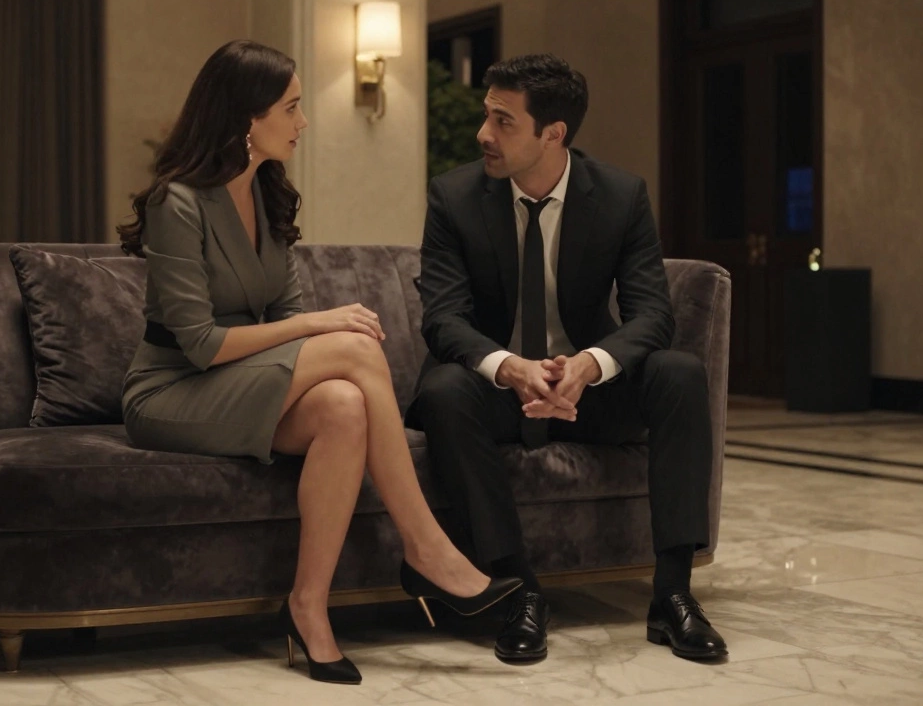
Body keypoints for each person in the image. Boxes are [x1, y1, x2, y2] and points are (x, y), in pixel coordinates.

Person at [116, 40, 521, 686]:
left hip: (242, 382)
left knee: (344, 405)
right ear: (248, 118)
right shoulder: (178, 202)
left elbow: (287, 322)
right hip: (173, 390)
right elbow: (201, 345)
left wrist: (308, 330)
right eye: (292, 108)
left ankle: (308, 606)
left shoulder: (270, 195)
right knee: (354, 348)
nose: (303, 123)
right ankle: (424, 548)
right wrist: (318, 325)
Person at [408, 53, 727, 665]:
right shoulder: (454, 196)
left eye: (503, 121)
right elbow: (442, 318)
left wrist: (590, 364)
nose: (483, 134)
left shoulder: (619, 195)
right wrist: (508, 365)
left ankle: (673, 594)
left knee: (679, 372)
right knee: (445, 390)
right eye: (486, 115)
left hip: (589, 391)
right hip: (497, 391)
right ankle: (516, 590)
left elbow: (652, 314)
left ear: (552, 134)